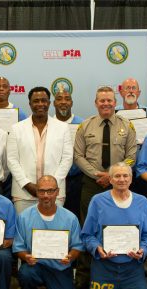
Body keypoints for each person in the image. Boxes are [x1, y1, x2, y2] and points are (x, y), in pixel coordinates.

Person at [81, 163, 147, 289]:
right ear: (110, 179)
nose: (122, 179)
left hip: (132, 267)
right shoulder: (98, 201)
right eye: (117, 176)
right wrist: (97, 248)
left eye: (125, 175)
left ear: (131, 178)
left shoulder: (142, 202)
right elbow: (87, 235)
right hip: (105, 266)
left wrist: (143, 249)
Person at [14, 175, 82, 289]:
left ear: (57, 192)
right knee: (25, 273)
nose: (46, 195)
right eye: (42, 191)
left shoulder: (70, 218)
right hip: (36, 266)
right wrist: (26, 257)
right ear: (36, 192)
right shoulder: (24, 217)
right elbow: (18, 247)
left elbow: (77, 246)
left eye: (50, 191)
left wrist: (70, 257)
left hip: (60, 267)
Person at [73, 86, 137, 221]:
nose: (106, 104)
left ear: (115, 103)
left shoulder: (127, 126)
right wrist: (96, 175)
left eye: (109, 100)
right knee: (89, 221)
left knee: (118, 220)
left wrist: (112, 176)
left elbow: (131, 157)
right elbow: (78, 156)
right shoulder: (85, 126)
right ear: (96, 103)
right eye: (102, 101)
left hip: (120, 183)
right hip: (91, 183)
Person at [6, 87, 74, 213]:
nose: (40, 104)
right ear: (30, 104)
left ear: (49, 103)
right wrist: (27, 184)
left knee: (54, 229)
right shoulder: (16, 128)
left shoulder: (63, 128)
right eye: (36, 101)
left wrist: (50, 186)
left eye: (44, 100)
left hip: (55, 192)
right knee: (25, 229)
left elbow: (67, 159)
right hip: (24, 193)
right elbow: (11, 160)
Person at [53, 88, 85, 218]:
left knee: (76, 214)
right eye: (59, 99)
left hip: (77, 178)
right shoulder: (48, 124)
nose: (63, 102)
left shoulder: (82, 124)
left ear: (72, 103)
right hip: (55, 177)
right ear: (54, 103)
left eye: (67, 99)